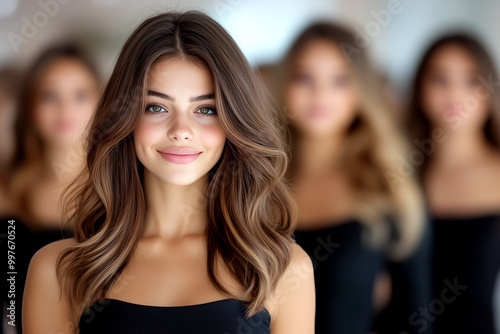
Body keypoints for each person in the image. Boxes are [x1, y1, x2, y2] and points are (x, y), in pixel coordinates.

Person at [22, 11, 315, 334]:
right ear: (126, 118)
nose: (181, 130)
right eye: (157, 107)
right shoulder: (56, 271)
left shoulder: (283, 268)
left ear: (234, 122)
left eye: (205, 109)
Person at [273, 22, 432, 334]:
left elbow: (415, 318)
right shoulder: (256, 183)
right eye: (305, 77)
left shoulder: (390, 189)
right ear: (284, 83)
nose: (320, 93)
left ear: (362, 90)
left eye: (339, 80)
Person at [1, 44, 100, 334]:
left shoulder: (123, 189)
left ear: (101, 102)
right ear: (30, 105)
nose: (65, 109)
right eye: (49, 96)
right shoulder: (7, 191)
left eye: (80, 95)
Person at [407, 33, 500, 334]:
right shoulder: (398, 175)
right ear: (420, 87)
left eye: (471, 80)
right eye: (440, 79)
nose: (455, 94)